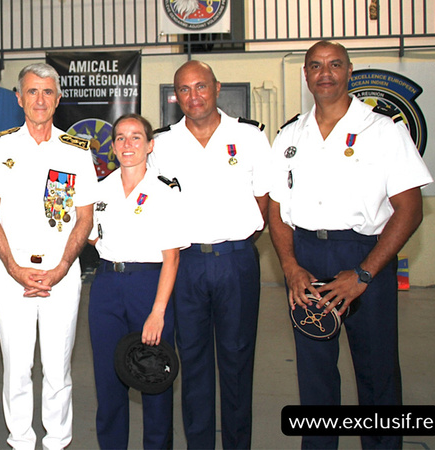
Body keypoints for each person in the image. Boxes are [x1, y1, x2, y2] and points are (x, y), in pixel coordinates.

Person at [268, 40, 431, 449]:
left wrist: (363, 274)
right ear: (306, 75)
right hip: (305, 257)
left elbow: (409, 210)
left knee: (376, 373)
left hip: (364, 257)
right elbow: (276, 208)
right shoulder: (289, 136)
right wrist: (289, 266)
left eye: (335, 64)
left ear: (349, 70)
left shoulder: (383, 131)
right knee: (315, 374)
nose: (325, 73)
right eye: (316, 66)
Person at [0, 63, 98, 450]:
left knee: (58, 368)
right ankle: (21, 440)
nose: (40, 100)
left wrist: (61, 267)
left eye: (47, 92)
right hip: (12, 273)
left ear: (58, 99)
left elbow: (85, 217)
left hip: (62, 273)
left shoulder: (77, 152)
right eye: (32, 92)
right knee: (17, 368)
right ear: (19, 98)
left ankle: (58, 440)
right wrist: (14, 268)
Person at [149, 60, 271, 449]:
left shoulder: (250, 137)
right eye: (184, 90)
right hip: (187, 266)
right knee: (194, 363)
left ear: (217, 87)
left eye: (200, 86)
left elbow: (264, 199)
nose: (193, 96)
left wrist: (238, 238)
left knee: (237, 362)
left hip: (236, 260)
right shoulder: (163, 144)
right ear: (175, 96)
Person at [88, 114, 187, 449]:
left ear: (150, 145)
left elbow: (172, 257)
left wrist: (158, 312)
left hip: (148, 287)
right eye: (120, 138)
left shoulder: (165, 191)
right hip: (105, 287)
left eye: (135, 137)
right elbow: (88, 237)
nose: (127, 145)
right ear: (112, 145)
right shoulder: (99, 190)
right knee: (108, 379)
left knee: (153, 376)